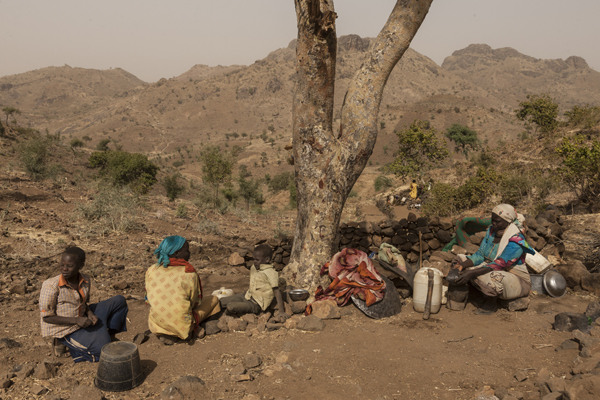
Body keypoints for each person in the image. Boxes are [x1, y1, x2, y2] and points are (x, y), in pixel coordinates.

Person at [39, 246, 128, 362]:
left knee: (119, 301)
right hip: (67, 328)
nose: (64, 269)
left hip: (83, 318)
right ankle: (66, 344)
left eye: (69, 266)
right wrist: (77, 320)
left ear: (80, 266)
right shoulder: (50, 286)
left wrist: (90, 313)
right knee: (103, 351)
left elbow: (84, 303)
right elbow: (47, 317)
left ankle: (105, 334)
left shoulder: (85, 280)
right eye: (62, 265)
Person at [450, 204, 535, 313]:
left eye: (497, 221)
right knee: (459, 260)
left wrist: (471, 273)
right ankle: (475, 293)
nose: (493, 223)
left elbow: (499, 264)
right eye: (492, 220)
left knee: (488, 277)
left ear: (507, 221)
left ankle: (490, 304)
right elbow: (480, 255)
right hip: (491, 267)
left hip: (517, 279)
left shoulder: (516, 240)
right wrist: (462, 265)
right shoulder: (491, 232)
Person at [145, 235, 221, 344]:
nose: (189, 253)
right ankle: (186, 332)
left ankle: (165, 332)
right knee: (214, 300)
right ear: (176, 253)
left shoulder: (151, 270)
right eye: (186, 250)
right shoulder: (188, 273)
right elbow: (195, 302)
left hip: (157, 324)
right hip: (182, 324)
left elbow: (148, 298)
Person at [220, 244, 286, 321]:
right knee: (221, 301)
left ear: (267, 260)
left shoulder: (271, 273)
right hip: (247, 296)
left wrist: (281, 312)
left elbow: (277, 292)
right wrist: (247, 248)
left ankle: (224, 317)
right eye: (253, 259)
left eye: (257, 260)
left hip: (256, 304)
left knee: (230, 307)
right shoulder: (255, 267)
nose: (254, 262)